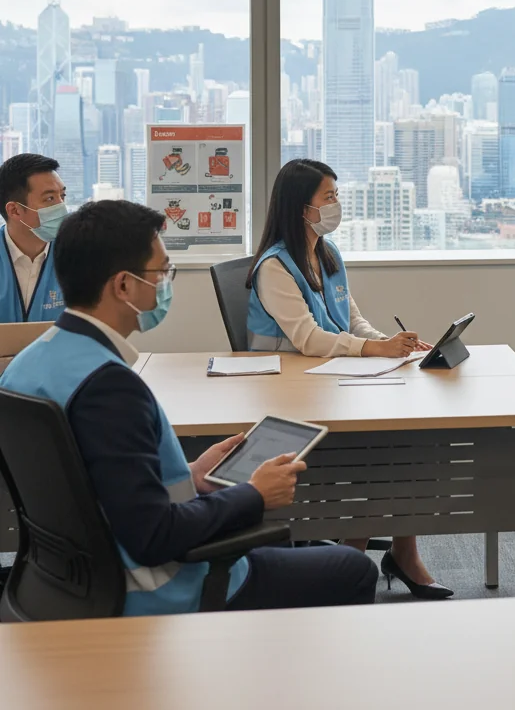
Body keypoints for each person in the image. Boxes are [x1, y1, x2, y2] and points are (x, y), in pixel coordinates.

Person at [0, 200, 378, 614]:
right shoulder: (109, 388)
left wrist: (193, 476)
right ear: (123, 286)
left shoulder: (27, 364)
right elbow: (155, 537)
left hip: (64, 581)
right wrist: (253, 495)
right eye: (160, 272)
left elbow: (95, 485)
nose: (166, 283)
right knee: (353, 567)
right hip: (161, 590)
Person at [247, 158, 452, 600]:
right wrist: (373, 350)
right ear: (302, 208)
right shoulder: (274, 267)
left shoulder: (326, 252)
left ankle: (392, 550)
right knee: (376, 446)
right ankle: (364, 549)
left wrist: (391, 343)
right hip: (290, 392)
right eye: (329, 197)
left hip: (330, 381)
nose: (337, 204)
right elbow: (307, 338)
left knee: (400, 434)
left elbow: (350, 319)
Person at [0, 153, 68, 322]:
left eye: (63, 196)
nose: (62, 207)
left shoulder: (77, 257)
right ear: (15, 210)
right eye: (50, 199)